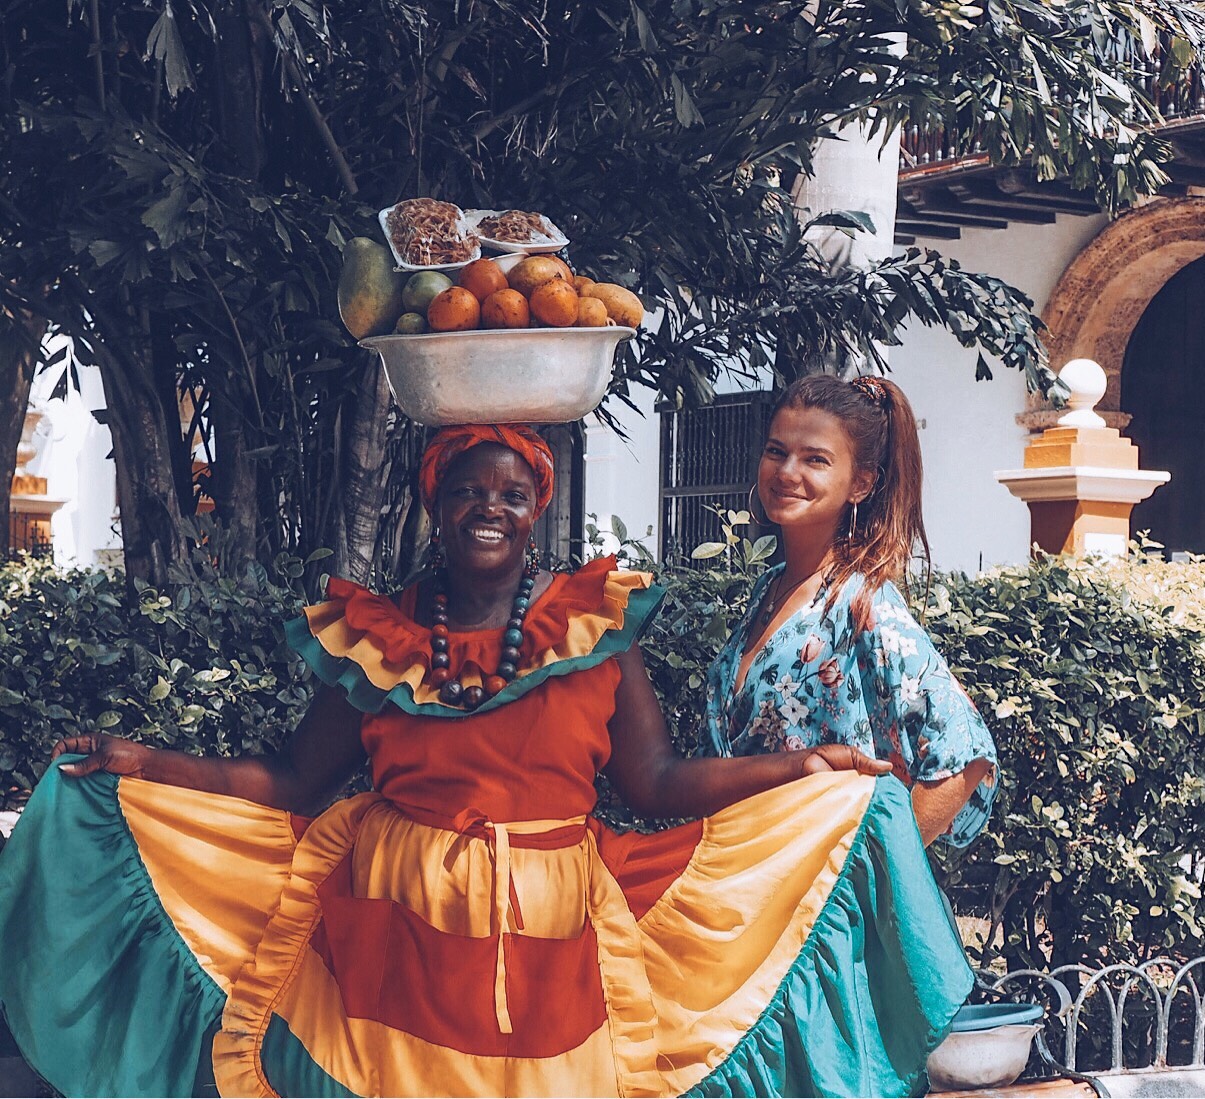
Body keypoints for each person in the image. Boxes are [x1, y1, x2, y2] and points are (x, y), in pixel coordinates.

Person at [0, 423, 972, 1099]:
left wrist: (800, 770)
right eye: (466, 489)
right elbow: (292, 781)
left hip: (551, 944)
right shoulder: (374, 635)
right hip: (390, 939)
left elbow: (657, 784)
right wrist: (148, 761)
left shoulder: (593, 629)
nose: (488, 507)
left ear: (535, 505)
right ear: (435, 501)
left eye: (511, 492)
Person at [701, 374, 998, 848]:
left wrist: (872, 875)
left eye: (815, 459)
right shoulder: (768, 589)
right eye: (777, 451)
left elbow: (964, 757)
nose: (786, 472)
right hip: (738, 884)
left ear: (860, 484)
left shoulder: (863, 602)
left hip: (817, 904)